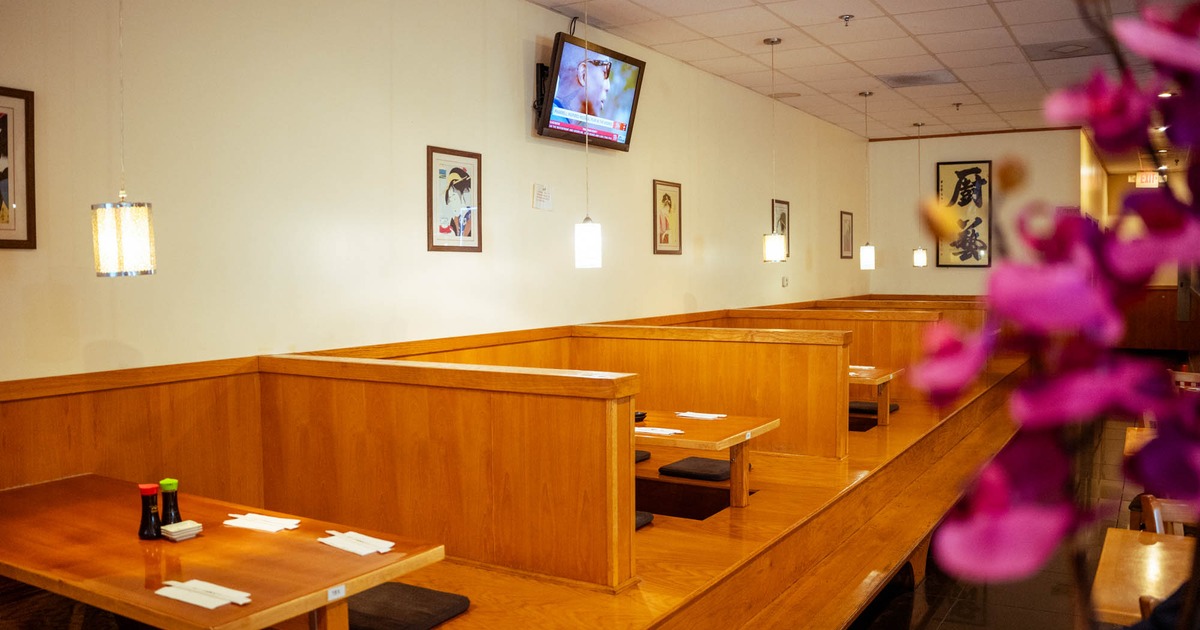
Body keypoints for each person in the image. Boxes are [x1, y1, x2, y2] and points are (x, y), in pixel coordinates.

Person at [552, 43, 612, 117]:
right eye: (605, 72)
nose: (608, 87)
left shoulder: (554, 117)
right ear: (583, 73)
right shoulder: (555, 118)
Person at [442, 167, 472, 237]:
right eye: (450, 200)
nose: (451, 203)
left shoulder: (471, 215)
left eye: (453, 197)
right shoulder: (453, 221)